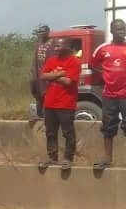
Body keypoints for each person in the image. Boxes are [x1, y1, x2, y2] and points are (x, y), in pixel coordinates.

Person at [38, 38, 81, 171]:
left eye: (58, 46)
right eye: (55, 46)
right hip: (50, 103)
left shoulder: (74, 61)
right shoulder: (51, 60)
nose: (55, 48)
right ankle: (52, 158)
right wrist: (61, 73)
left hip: (66, 104)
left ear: (67, 46)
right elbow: (43, 76)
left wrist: (53, 75)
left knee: (68, 132)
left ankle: (68, 159)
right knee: (50, 133)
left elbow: (69, 82)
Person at [91, 18, 126, 170]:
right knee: (108, 128)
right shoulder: (103, 49)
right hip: (109, 95)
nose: (122, 32)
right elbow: (93, 64)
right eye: (119, 29)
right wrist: (105, 74)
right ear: (112, 31)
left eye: (124, 29)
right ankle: (107, 159)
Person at [31, 25, 54, 119]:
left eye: (43, 32)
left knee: (47, 95)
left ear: (48, 32)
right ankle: (39, 115)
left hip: (48, 75)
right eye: (39, 32)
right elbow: (35, 59)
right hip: (38, 74)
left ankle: (47, 116)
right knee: (38, 95)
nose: (41, 34)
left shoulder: (52, 44)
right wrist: (33, 72)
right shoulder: (39, 43)